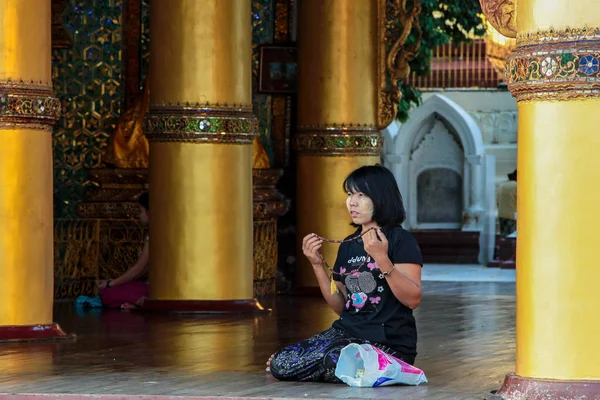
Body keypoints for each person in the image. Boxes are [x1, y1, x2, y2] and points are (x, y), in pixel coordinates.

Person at [268, 164, 423, 383]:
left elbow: (413, 299)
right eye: (350, 194)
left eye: (361, 195)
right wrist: (316, 265)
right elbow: (341, 307)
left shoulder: (400, 240)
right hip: (347, 334)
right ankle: (349, 369)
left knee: (333, 359)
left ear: (381, 198)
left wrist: (381, 257)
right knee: (281, 363)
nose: (352, 202)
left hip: (389, 341)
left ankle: (377, 367)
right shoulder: (348, 245)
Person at [96, 192, 150, 310]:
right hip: (155, 286)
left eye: (140, 211)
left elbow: (137, 270)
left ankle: (143, 303)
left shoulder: (155, 234)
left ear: (148, 212)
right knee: (120, 289)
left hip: (159, 289)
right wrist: (115, 282)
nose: (139, 215)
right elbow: (143, 270)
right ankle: (140, 302)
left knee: (107, 294)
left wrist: (110, 284)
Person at [497, 170, 517, 237]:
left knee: (504, 236)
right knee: (512, 237)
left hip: (501, 214)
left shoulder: (502, 185)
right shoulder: (517, 186)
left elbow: (497, 201)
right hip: (513, 215)